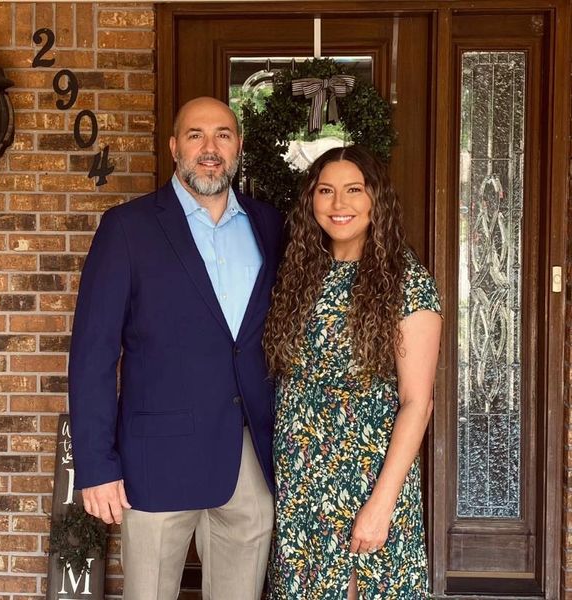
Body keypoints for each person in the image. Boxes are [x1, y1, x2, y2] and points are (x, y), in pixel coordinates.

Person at [68, 96, 284, 600]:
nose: (210, 148)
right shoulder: (127, 228)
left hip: (248, 459)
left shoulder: (270, 225)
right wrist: (96, 467)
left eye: (222, 135)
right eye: (195, 135)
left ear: (238, 146)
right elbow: (93, 354)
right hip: (156, 461)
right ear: (173, 147)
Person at [264, 145, 442, 599]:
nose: (338, 204)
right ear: (311, 200)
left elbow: (417, 403)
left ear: (376, 198)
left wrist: (381, 506)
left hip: (365, 480)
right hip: (301, 485)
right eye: (325, 191)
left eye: (354, 190)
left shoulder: (406, 281)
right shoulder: (300, 274)